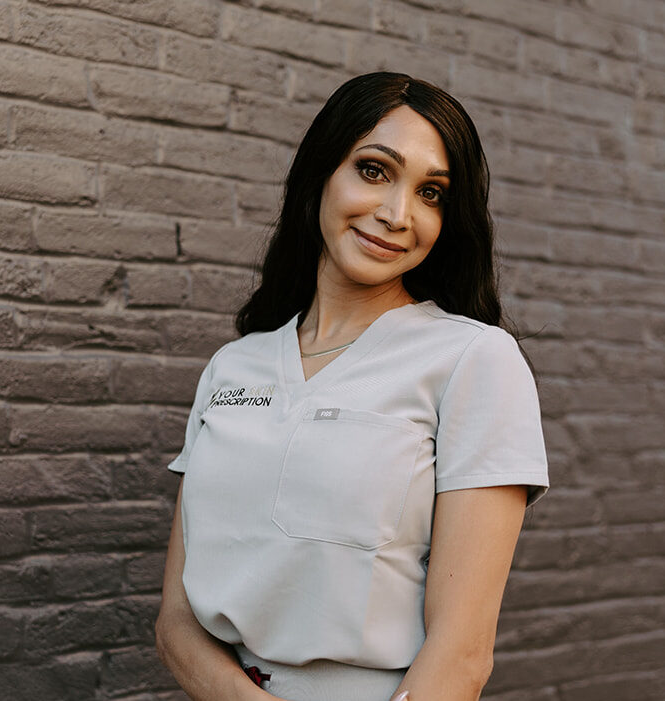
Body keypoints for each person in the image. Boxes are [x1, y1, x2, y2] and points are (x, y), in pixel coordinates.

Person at [155, 71, 549, 701]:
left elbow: (462, 655)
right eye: (373, 170)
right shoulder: (235, 367)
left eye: (432, 193)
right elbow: (177, 621)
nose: (398, 214)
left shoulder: (475, 361)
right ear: (321, 174)